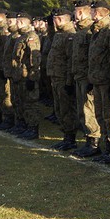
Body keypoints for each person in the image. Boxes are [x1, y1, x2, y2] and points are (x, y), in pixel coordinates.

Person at [87, 1, 110, 163]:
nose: (91, 15)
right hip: (97, 80)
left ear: (99, 13)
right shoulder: (97, 31)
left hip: (107, 81)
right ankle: (107, 148)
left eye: (93, 12)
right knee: (100, 115)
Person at [71, 0, 102, 158]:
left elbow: (94, 57)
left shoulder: (91, 31)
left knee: (88, 110)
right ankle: (88, 139)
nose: (75, 14)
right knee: (82, 110)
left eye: (76, 11)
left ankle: (94, 142)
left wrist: (91, 77)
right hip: (79, 76)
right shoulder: (80, 31)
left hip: (87, 77)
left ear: (81, 12)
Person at [47, 8, 78, 150]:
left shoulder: (70, 35)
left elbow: (71, 60)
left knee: (67, 109)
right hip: (56, 77)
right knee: (60, 109)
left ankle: (70, 138)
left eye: (57, 19)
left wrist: (69, 81)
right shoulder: (59, 34)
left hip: (64, 79)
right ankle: (66, 136)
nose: (55, 21)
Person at [10, 12, 41, 140]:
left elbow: (35, 59)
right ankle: (23, 125)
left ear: (22, 22)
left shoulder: (31, 37)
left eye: (17, 22)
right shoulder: (21, 36)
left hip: (27, 76)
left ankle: (32, 128)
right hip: (19, 75)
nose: (15, 24)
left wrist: (32, 78)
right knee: (20, 101)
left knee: (30, 103)